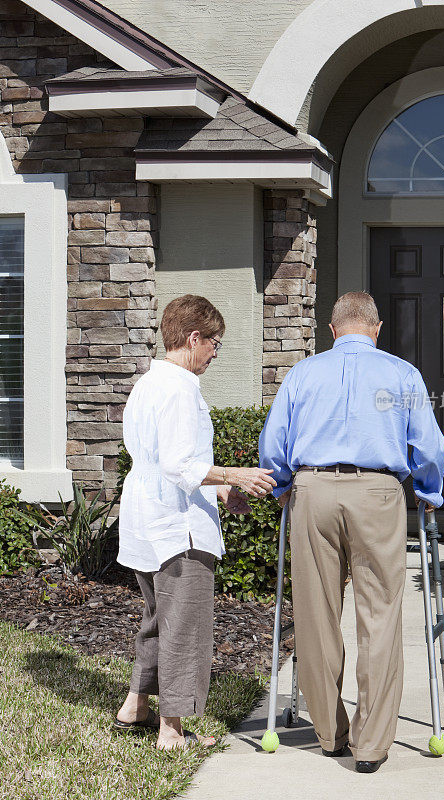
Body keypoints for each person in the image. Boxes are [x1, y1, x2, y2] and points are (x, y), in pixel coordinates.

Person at [259, 291, 444, 773]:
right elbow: (428, 446)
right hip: (379, 494)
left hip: (313, 491)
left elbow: (273, 443)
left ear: (333, 328)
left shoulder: (303, 373)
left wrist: (282, 485)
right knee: (380, 613)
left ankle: (329, 733)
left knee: (316, 611)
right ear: (377, 329)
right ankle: (371, 745)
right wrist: (428, 491)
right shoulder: (402, 374)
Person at [115, 294, 276, 751]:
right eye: (215, 343)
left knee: (157, 615)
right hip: (177, 526)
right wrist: (233, 474)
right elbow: (180, 462)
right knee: (185, 624)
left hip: (147, 518)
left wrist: (218, 490)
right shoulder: (182, 388)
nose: (215, 354)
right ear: (193, 338)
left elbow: (161, 461)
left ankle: (135, 705)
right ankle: (172, 729)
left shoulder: (148, 383)